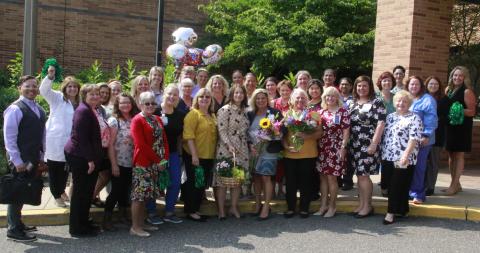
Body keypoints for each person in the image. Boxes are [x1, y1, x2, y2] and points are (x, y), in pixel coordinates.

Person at [3, 75, 46, 242]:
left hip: (33, 157)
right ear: (19, 88)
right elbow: (9, 137)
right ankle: (13, 229)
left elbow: (41, 135)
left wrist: (42, 156)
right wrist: (16, 161)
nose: (32, 89)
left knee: (22, 191)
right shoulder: (15, 109)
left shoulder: (39, 109)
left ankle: (17, 223)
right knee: (16, 192)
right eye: (28, 86)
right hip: (20, 158)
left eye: (35, 86)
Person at [64, 84, 103, 237]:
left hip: (87, 156)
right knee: (80, 194)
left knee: (87, 193)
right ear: (84, 95)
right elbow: (81, 138)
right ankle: (76, 228)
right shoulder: (82, 111)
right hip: (81, 157)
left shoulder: (91, 110)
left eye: (97, 94)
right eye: (91, 94)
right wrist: (90, 160)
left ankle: (84, 222)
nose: (95, 97)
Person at [130, 91, 169, 237]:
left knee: (148, 195)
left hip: (156, 163)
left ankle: (142, 223)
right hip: (143, 163)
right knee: (139, 196)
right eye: (147, 103)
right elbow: (141, 144)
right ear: (140, 104)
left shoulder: (157, 119)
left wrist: (164, 159)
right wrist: (158, 160)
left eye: (153, 103)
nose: (150, 106)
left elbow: (164, 140)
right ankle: (135, 227)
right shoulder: (137, 120)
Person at [381, 90, 423, 225]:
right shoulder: (390, 117)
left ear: (409, 104)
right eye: (399, 101)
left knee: (396, 184)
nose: (401, 103)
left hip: (404, 157)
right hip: (388, 155)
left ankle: (390, 213)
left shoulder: (414, 118)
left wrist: (406, 155)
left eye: (405, 101)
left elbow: (414, 138)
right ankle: (403, 209)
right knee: (389, 183)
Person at [40, 70, 80, 208]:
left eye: (75, 86)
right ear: (65, 88)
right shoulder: (57, 98)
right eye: (70, 86)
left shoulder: (78, 103)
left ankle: (61, 191)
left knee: (65, 169)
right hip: (55, 141)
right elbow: (44, 90)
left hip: (70, 143)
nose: (72, 89)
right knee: (54, 170)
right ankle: (56, 195)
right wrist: (50, 76)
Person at [348, 76, 386, 218]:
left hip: (369, 145)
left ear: (370, 87)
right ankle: (362, 204)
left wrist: (374, 143)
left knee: (364, 175)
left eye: (364, 86)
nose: (361, 88)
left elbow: (381, 124)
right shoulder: (352, 103)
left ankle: (368, 206)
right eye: (359, 86)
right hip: (355, 145)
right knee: (359, 175)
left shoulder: (377, 102)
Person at [282, 89, 323, 218]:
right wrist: (286, 147)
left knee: (306, 182)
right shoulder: (286, 114)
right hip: (290, 154)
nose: (300, 100)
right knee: (290, 183)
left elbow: (320, 133)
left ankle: (304, 208)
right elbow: (281, 135)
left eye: (303, 98)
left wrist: (307, 136)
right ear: (292, 100)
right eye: (297, 98)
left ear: (307, 100)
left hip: (308, 154)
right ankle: (291, 208)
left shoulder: (314, 115)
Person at [103, 93, 139, 231]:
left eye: (128, 102)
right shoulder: (114, 121)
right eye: (122, 103)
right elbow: (110, 144)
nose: (125, 105)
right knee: (116, 191)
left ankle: (123, 216)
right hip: (119, 162)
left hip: (133, 161)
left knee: (126, 191)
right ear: (117, 105)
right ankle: (107, 220)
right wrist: (113, 165)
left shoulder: (135, 119)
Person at [215, 85, 250, 219]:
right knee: (223, 181)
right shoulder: (225, 109)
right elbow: (222, 131)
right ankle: (222, 210)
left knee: (237, 180)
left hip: (241, 148)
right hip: (226, 148)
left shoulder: (245, 111)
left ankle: (234, 208)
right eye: (236, 92)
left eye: (241, 93)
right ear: (231, 94)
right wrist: (229, 145)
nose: (239, 95)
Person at [247, 89, 283, 220]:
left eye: (263, 98)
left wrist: (272, 134)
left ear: (267, 99)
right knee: (256, 177)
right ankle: (258, 204)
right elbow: (246, 132)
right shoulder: (250, 114)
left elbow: (281, 131)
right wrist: (250, 144)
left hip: (269, 151)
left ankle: (266, 207)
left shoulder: (275, 113)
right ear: (254, 100)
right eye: (258, 98)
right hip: (254, 151)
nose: (260, 100)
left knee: (266, 178)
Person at [182, 88, 217, 221]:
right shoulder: (193, 114)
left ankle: (195, 208)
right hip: (196, 156)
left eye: (207, 97)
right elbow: (188, 136)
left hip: (208, 155)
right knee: (195, 183)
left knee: (201, 184)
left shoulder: (212, 115)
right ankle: (191, 211)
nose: (204, 99)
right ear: (197, 99)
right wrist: (194, 156)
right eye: (201, 96)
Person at [315, 87, 350, 218]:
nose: (330, 98)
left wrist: (343, 148)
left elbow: (346, 132)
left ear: (337, 98)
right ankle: (323, 205)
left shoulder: (343, 112)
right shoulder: (321, 112)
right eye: (327, 96)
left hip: (336, 148)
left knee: (332, 178)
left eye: (333, 96)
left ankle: (332, 206)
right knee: (322, 177)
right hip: (322, 148)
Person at [444, 66, 477, 195]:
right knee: (451, 155)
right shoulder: (448, 90)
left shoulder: (467, 92)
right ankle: (456, 184)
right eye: (455, 75)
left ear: (464, 78)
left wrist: (458, 110)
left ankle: (454, 185)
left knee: (459, 155)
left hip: (462, 128)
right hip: (450, 127)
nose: (457, 78)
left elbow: (472, 111)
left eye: (460, 76)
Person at [406, 76, 438, 204]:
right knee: (407, 166)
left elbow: (432, 119)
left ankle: (418, 194)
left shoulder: (427, 100)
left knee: (419, 167)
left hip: (422, 140)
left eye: (416, 84)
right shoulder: (406, 98)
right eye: (411, 84)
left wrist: (426, 135)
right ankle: (407, 191)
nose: (413, 86)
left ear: (421, 86)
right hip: (406, 140)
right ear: (408, 85)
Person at [425, 76, 449, 196]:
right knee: (423, 161)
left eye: (436, 84)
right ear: (427, 85)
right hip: (423, 134)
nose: (433, 86)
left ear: (439, 86)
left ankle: (430, 187)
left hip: (437, 135)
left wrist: (436, 120)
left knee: (433, 162)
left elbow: (447, 117)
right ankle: (421, 185)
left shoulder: (444, 99)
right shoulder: (423, 98)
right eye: (431, 84)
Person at [376, 71, 396, 196]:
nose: (387, 83)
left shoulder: (396, 97)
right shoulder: (375, 97)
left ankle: (386, 186)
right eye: (384, 80)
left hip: (392, 134)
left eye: (389, 80)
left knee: (388, 161)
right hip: (377, 133)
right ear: (380, 83)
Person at [338, 77, 354, 191]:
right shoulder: (335, 97)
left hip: (351, 131)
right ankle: (337, 179)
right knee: (338, 156)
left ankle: (348, 181)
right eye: (342, 84)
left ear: (351, 86)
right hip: (336, 132)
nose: (344, 86)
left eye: (347, 84)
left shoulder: (354, 99)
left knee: (349, 157)